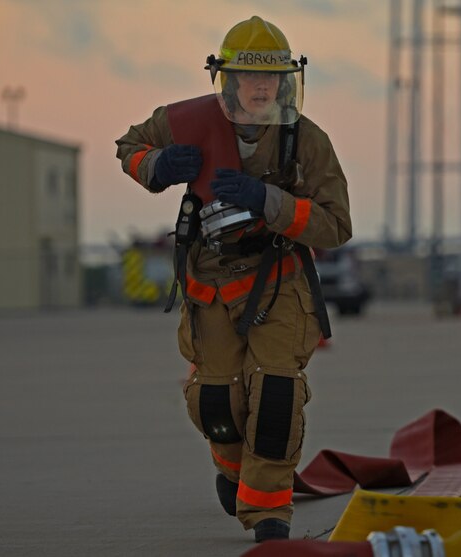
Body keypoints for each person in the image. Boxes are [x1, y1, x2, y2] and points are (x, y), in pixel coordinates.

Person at [115, 15, 351, 543]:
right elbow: (128, 148)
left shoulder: (305, 141)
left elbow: (336, 225)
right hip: (210, 283)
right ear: (228, 79)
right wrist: (158, 165)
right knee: (215, 402)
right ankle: (232, 469)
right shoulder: (186, 121)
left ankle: (269, 515)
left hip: (277, 278)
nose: (261, 86)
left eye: (272, 77)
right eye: (249, 75)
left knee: (275, 393)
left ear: (287, 81)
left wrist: (267, 201)